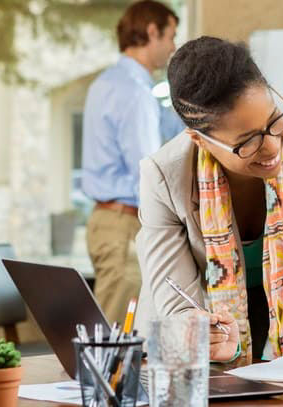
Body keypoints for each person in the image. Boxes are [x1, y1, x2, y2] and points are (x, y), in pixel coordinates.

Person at [133, 36, 283, 362]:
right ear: (200, 139)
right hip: (201, 316)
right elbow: (180, 304)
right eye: (247, 141)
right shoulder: (163, 176)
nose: (272, 147)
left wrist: (277, 367)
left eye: (274, 121)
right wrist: (212, 340)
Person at [82, 0, 184, 324]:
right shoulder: (134, 92)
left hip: (108, 220)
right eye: (171, 36)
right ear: (151, 32)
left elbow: (167, 130)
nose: (173, 47)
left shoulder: (111, 83)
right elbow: (148, 172)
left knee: (113, 338)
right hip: (124, 225)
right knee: (114, 343)